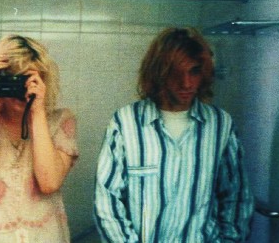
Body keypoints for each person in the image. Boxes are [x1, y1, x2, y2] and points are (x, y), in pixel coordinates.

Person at [94, 27, 254, 242]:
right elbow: (107, 202)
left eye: (194, 71)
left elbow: (236, 198)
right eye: (176, 73)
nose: (186, 84)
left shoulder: (220, 125)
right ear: (158, 73)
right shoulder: (126, 123)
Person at [0, 35, 79, 242]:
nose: (21, 89)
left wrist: (37, 112)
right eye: (13, 79)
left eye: (27, 80)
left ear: (44, 81)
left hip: (43, 236)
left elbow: (49, 182)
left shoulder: (60, 121)